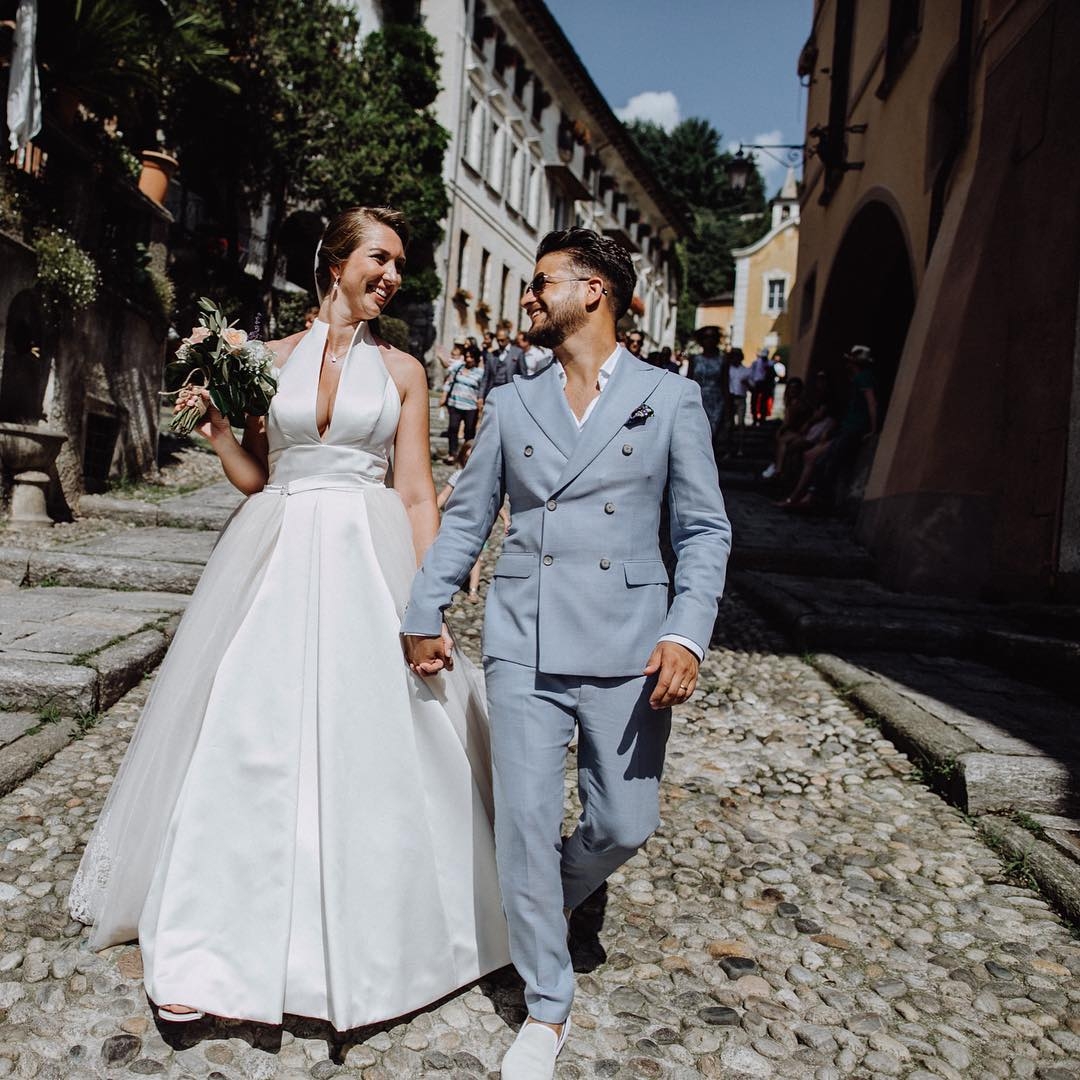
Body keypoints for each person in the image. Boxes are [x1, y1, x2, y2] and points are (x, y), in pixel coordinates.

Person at [69, 206, 509, 1029]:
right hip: (274, 554)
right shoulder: (265, 360)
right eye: (379, 258)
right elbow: (258, 477)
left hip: (368, 557)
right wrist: (218, 431)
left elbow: (416, 493)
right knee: (246, 731)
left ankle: (391, 935)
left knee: (373, 737)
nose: (392, 275)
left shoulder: (406, 370)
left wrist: (430, 600)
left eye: (400, 264)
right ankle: (207, 941)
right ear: (335, 263)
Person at [401, 227, 731, 1080]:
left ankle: (540, 898)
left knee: (625, 823)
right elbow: (468, 518)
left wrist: (685, 632)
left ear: (593, 292)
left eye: (541, 281)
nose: (527, 295)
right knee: (522, 824)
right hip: (527, 638)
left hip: (632, 642)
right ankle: (547, 1004)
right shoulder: (512, 403)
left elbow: (703, 530)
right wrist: (425, 605)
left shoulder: (669, 397)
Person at [785, 345, 878, 509]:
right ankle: (799, 496)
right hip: (848, 427)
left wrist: (873, 429)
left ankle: (811, 497)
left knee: (824, 461)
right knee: (813, 456)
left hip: (853, 428)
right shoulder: (859, 379)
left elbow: (871, 403)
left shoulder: (863, 378)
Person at [436, 439, 511, 603]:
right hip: (457, 522)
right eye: (467, 457)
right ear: (463, 458)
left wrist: (505, 519)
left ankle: (473, 590)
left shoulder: (486, 479)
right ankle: (446, 585)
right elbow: (443, 496)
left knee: (476, 556)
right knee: (450, 553)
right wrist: (432, 510)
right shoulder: (458, 475)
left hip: (478, 523)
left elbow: (495, 502)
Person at [440, 342, 485, 462]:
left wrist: (480, 403)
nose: (468, 359)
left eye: (471, 357)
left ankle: (467, 455)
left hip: (471, 406)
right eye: (467, 356)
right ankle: (452, 453)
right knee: (453, 428)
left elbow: (482, 388)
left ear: (476, 358)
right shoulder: (458, 367)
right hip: (455, 404)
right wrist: (444, 396)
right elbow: (449, 381)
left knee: (469, 431)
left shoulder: (480, 373)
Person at [687, 326, 727, 446]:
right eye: (706, 337)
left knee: (711, 437)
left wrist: (729, 410)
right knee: (696, 435)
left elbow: (725, 384)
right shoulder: (695, 359)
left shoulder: (722, 360)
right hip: (698, 400)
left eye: (712, 337)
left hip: (716, 403)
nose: (709, 340)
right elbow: (688, 382)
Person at [482, 326, 525, 398]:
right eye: (498, 340)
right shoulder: (491, 355)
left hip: (510, 392)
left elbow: (523, 375)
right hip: (493, 391)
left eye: (502, 340)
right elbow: (485, 377)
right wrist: (480, 396)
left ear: (508, 339)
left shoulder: (518, 353)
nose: (500, 343)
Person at [726, 347, 751, 453]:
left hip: (740, 398)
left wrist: (747, 384)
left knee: (740, 423)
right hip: (730, 398)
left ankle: (740, 448)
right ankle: (729, 449)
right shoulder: (727, 369)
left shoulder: (746, 370)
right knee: (729, 424)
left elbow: (752, 386)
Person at [749, 348, 775, 425]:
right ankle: (754, 418)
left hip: (765, 384)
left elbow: (772, 376)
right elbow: (751, 373)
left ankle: (762, 418)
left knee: (764, 402)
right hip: (757, 383)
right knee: (754, 401)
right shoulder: (756, 363)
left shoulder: (770, 364)